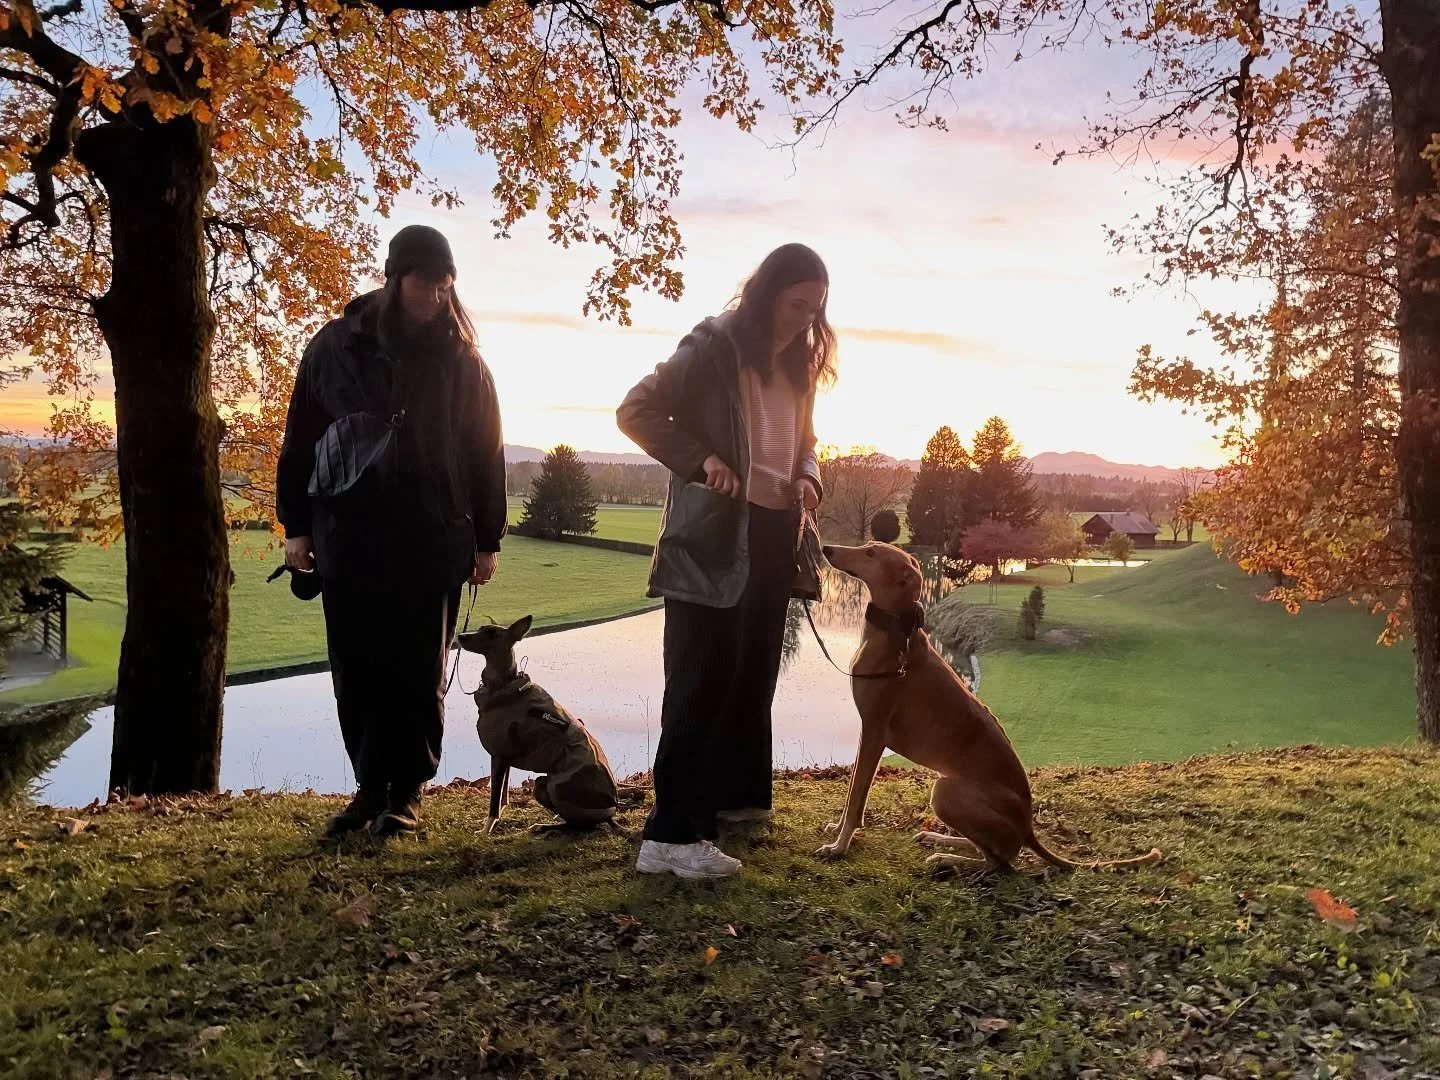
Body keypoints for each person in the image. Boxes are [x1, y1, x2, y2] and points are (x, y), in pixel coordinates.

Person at [276, 225, 507, 839]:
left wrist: (488, 540)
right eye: (424, 282)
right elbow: (301, 439)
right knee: (356, 669)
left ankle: (405, 794)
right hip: (348, 538)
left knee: (416, 671)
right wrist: (295, 526)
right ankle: (367, 789)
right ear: (395, 276)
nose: (435, 295)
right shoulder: (333, 347)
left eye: (444, 285)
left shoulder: (463, 361)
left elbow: (487, 455)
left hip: (430, 540)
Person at [616, 243, 837, 879]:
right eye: (796, 304)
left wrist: (808, 475)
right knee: (698, 677)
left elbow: (806, 439)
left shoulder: (800, 362)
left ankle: (729, 805)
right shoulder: (712, 347)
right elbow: (636, 410)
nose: (804, 319)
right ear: (766, 293)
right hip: (712, 535)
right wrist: (701, 461)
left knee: (750, 673)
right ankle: (669, 837)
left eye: (815, 309)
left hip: (776, 533)